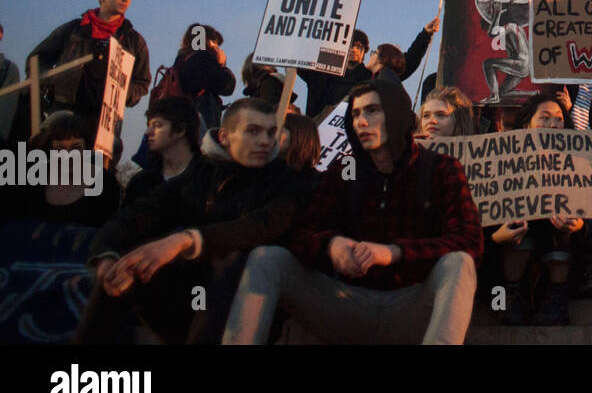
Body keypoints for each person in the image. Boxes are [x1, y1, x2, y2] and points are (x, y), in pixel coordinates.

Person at [223, 81, 482, 344]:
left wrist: (394, 253)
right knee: (268, 258)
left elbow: (469, 240)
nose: (361, 121)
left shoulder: (442, 168)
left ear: (396, 113)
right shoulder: (344, 169)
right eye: (356, 114)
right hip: (346, 303)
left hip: (412, 307)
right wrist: (331, 245)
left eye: (372, 111)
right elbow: (301, 233)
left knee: (459, 263)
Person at [76, 98, 311, 344]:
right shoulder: (200, 175)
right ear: (224, 137)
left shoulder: (288, 181)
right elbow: (137, 214)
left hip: (246, 302)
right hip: (186, 297)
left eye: (270, 132)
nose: (264, 140)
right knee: (123, 266)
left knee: (228, 261)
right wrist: (105, 255)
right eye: (253, 131)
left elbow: (259, 226)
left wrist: (185, 241)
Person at [488, 94, 592, 325]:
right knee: (517, 220)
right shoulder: (504, 159)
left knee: (564, 224)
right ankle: (512, 296)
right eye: (544, 118)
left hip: (560, 240)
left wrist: (578, 225)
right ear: (527, 124)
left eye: (558, 119)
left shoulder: (577, 161)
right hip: (516, 239)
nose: (553, 124)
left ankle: (555, 296)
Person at [30, 0, 150, 144]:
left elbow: (142, 82)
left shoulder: (133, 40)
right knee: (56, 162)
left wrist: (124, 94)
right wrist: (50, 79)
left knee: (96, 167)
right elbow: (37, 60)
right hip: (64, 107)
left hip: (104, 118)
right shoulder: (75, 29)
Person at [0, 111, 120, 226]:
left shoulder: (105, 185)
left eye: (76, 147)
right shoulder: (32, 182)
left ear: (87, 149)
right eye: (59, 148)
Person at [123, 96, 202, 205]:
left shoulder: (209, 178)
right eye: (149, 125)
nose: (148, 132)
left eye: (157, 125)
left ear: (180, 130)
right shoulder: (140, 182)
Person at [168, 24, 236, 129]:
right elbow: (226, 86)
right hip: (201, 118)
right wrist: (222, 65)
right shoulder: (202, 58)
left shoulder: (182, 59)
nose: (217, 46)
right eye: (214, 41)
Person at [301, 30, 369, 121]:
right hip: (317, 125)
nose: (354, 49)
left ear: (364, 50)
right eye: (350, 45)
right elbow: (299, 67)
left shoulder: (368, 78)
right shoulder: (325, 72)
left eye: (359, 46)